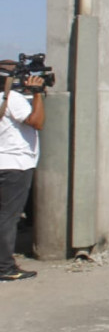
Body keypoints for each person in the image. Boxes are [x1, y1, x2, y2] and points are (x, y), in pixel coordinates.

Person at [0, 65, 44, 282]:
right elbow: (37, 122)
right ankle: (5, 267)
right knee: (8, 217)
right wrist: (37, 94)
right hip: (14, 164)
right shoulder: (12, 99)